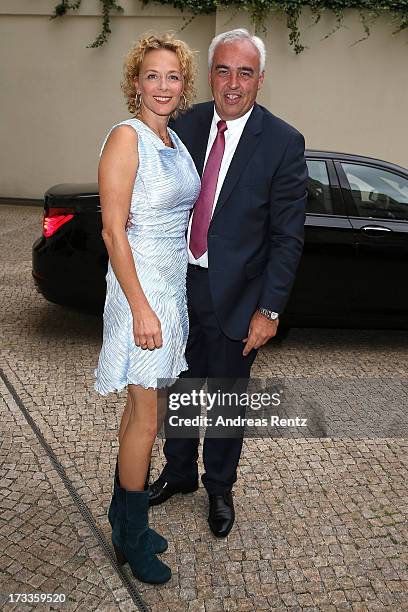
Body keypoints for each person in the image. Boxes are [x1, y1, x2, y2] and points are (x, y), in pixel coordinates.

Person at [149, 28, 308, 538]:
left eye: (244, 73)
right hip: (179, 287)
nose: (233, 83)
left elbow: (288, 238)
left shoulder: (283, 142)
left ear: (260, 80)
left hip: (239, 301)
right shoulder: (184, 125)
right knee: (177, 387)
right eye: (223, 70)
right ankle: (178, 474)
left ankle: (219, 487)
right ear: (211, 75)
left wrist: (271, 310)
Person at [94, 34, 200, 583]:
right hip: (140, 292)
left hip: (171, 290)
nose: (162, 87)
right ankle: (132, 538)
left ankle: (121, 516)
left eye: (173, 77)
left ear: (184, 87)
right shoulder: (125, 138)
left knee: (139, 414)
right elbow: (113, 231)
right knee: (147, 419)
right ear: (135, 83)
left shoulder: (174, 141)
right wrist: (140, 308)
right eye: (152, 76)